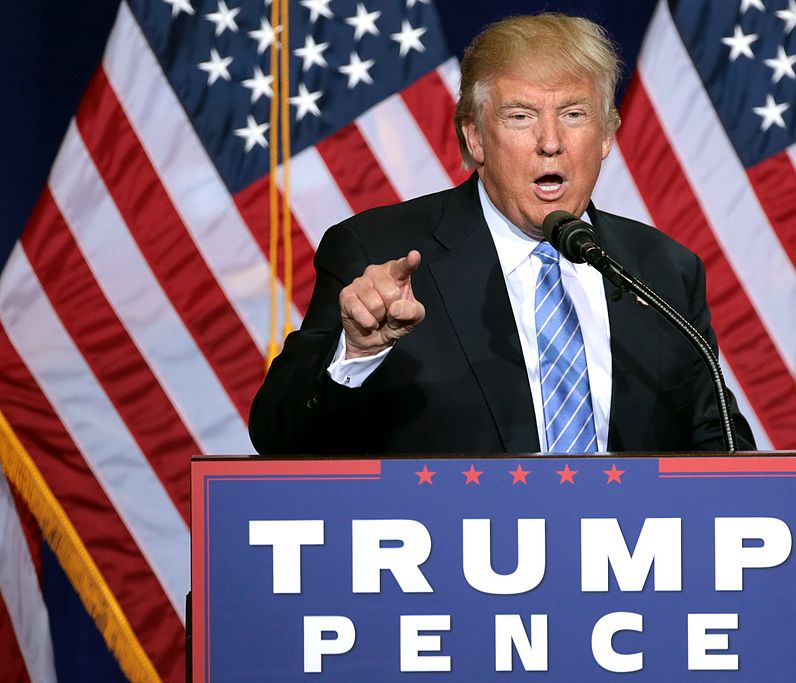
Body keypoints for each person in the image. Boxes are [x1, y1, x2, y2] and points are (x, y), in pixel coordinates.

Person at [248, 14, 755, 455]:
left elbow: (721, 450)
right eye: (521, 117)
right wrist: (357, 353)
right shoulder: (376, 252)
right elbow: (280, 439)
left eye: (574, 115)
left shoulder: (663, 269)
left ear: (605, 135)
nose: (551, 142)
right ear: (474, 136)